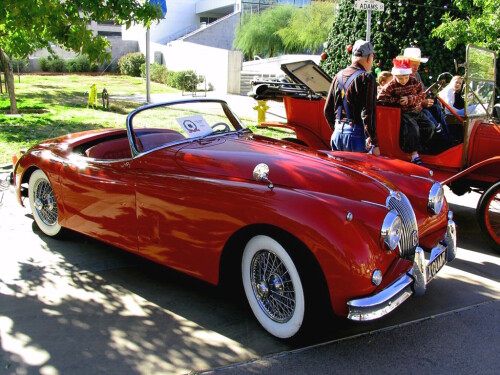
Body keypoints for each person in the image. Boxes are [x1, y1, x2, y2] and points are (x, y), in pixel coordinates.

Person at [324, 40, 380, 155]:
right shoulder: (366, 78)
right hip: (356, 136)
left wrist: (337, 129)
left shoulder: (338, 75)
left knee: (338, 173)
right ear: (370, 57)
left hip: (337, 133)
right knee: (357, 173)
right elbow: (368, 113)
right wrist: (374, 143)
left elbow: (327, 109)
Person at [377, 58, 435, 166]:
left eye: (405, 77)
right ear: (395, 76)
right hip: (403, 113)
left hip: (416, 110)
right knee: (413, 128)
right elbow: (380, 98)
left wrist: (410, 99)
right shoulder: (390, 85)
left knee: (430, 126)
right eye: (400, 78)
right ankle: (414, 155)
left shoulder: (415, 81)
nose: (403, 81)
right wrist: (397, 101)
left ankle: (418, 148)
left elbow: (422, 95)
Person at [398, 46, 451, 142]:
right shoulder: (400, 76)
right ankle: (437, 140)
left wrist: (430, 97)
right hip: (406, 111)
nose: (416, 68)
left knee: (437, 108)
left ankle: (447, 138)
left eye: (418, 65)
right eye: (414, 65)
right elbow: (403, 98)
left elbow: (422, 90)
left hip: (417, 105)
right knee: (427, 114)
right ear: (406, 63)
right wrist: (422, 102)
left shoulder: (416, 75)